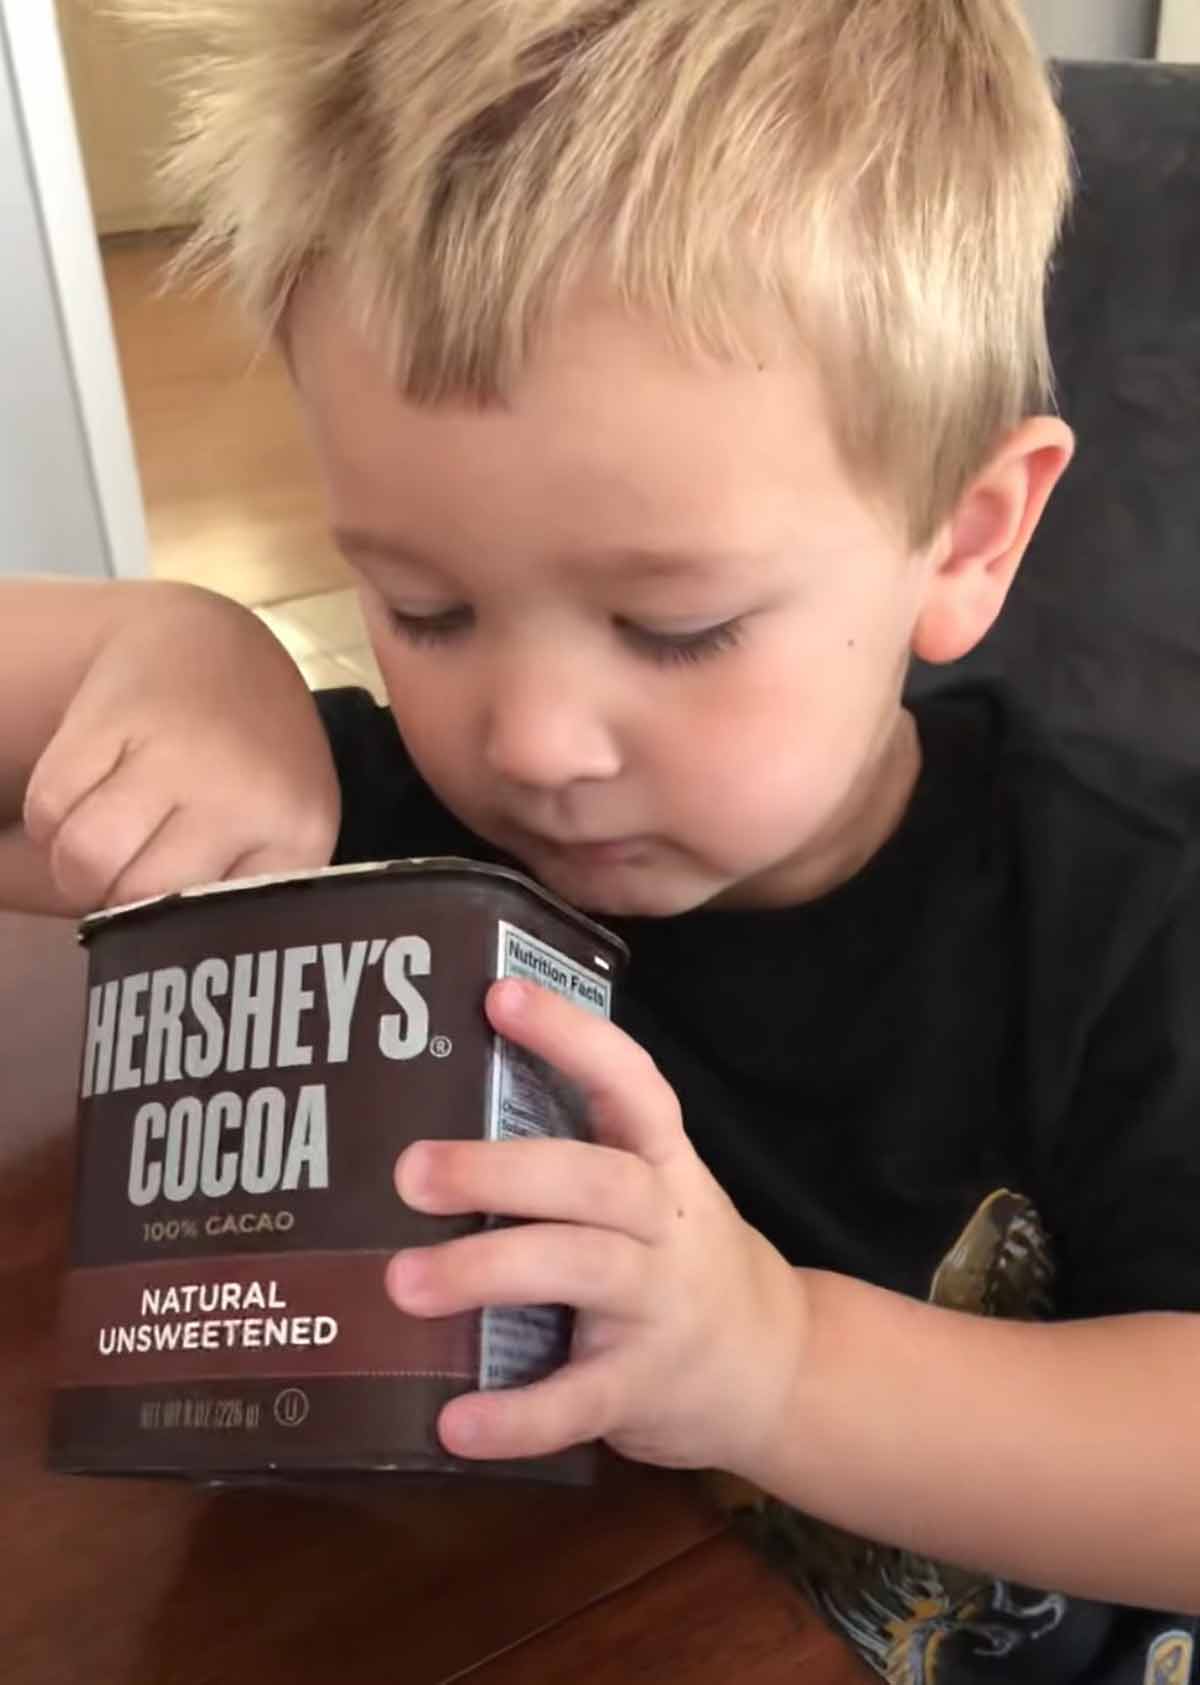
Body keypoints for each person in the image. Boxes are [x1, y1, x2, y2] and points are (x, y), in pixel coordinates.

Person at [3, 3, 1198, 1679]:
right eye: (424, 605)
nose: (531, 742)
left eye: (676, 624)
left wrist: (778, 1365)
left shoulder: (1128, 923)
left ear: (966, 540)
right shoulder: (390, 827)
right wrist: (169, 645)